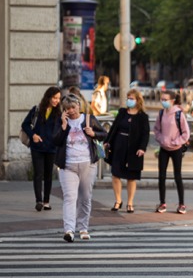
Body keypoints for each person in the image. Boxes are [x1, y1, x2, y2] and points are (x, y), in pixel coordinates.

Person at [55, 95, 107, 242]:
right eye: (67, 108)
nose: (71, 111)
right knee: (70, 197)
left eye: (73, 107)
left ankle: (83, 227)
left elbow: (104, 134)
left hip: (87, 163)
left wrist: (94, 133)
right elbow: (56, 140)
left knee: (85, 197)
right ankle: (69, 230)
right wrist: (64, 127)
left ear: (79, 105)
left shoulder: (89, 119)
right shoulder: (61, 122)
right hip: (68, 165)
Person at [105, 88, 150, 213]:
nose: (129, 101)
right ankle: (118, 200)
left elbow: (145, 134)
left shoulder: (142, 117)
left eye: (132, 99)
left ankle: (130, 202)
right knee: (115, 174)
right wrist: (108, 141)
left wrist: (142, 148)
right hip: (119, 145)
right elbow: (114, 127)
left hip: (134, 149)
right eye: (128, 98)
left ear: (138, 100)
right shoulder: (122, 112)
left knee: (131, 176)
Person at [22, 86, 63, 212]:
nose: (57, 101)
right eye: (55, 98)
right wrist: (33, 135)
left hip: (51, 148)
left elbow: (62, 131)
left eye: (58, 98)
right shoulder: (37, 110)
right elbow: (25, 124)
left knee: (48, 175)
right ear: (48, 97)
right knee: (38, 174)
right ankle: (38, 201)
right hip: (37, 147)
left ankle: (46, 201)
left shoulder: (59, 113)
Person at [154, 90, 190, 214]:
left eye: (165, 99)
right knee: (161, 176)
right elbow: (156, 129)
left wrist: (176, 142)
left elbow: (186, 133)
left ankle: (182, 204)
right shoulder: (161, 113)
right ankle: (162, 203)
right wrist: (161, 139)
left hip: (176, 149)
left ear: (172, 100)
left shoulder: (179, 114)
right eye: (162, 99)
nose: (163, 101)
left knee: (177, 176)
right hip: (164, 148)